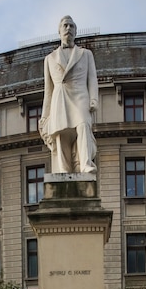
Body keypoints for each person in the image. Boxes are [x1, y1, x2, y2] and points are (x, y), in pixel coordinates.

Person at [39, 15, 98, 173]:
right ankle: (63, 170)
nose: (68, 29)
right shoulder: (50, 58)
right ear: (59, 31)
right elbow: (48, 91)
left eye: (71, 26)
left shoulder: (86, 54)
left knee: (84, 125)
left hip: (80, 96)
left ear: (76, 31)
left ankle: (85, 164)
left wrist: (94, 99)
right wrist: (45, 115)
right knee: (62, 134)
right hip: (60, 97)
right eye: (65, 26)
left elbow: (92, 79)